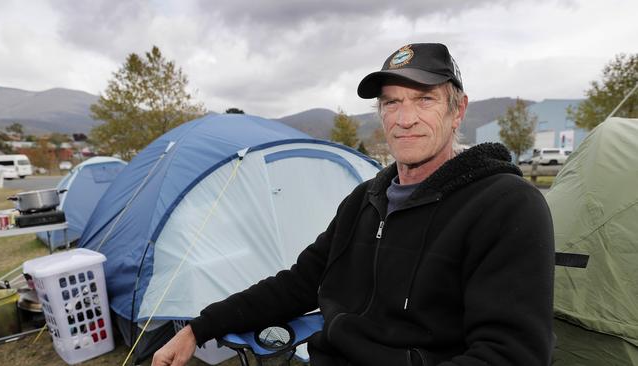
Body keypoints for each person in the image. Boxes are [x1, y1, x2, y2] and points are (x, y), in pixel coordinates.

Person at [153, 43, 555, 366]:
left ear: (457, 111)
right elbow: (297, 284)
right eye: (392, 102)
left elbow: (511, 353)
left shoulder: (506, 207)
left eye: (424, 100)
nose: (405, 118)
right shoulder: (364, 202)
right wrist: (199, 328)